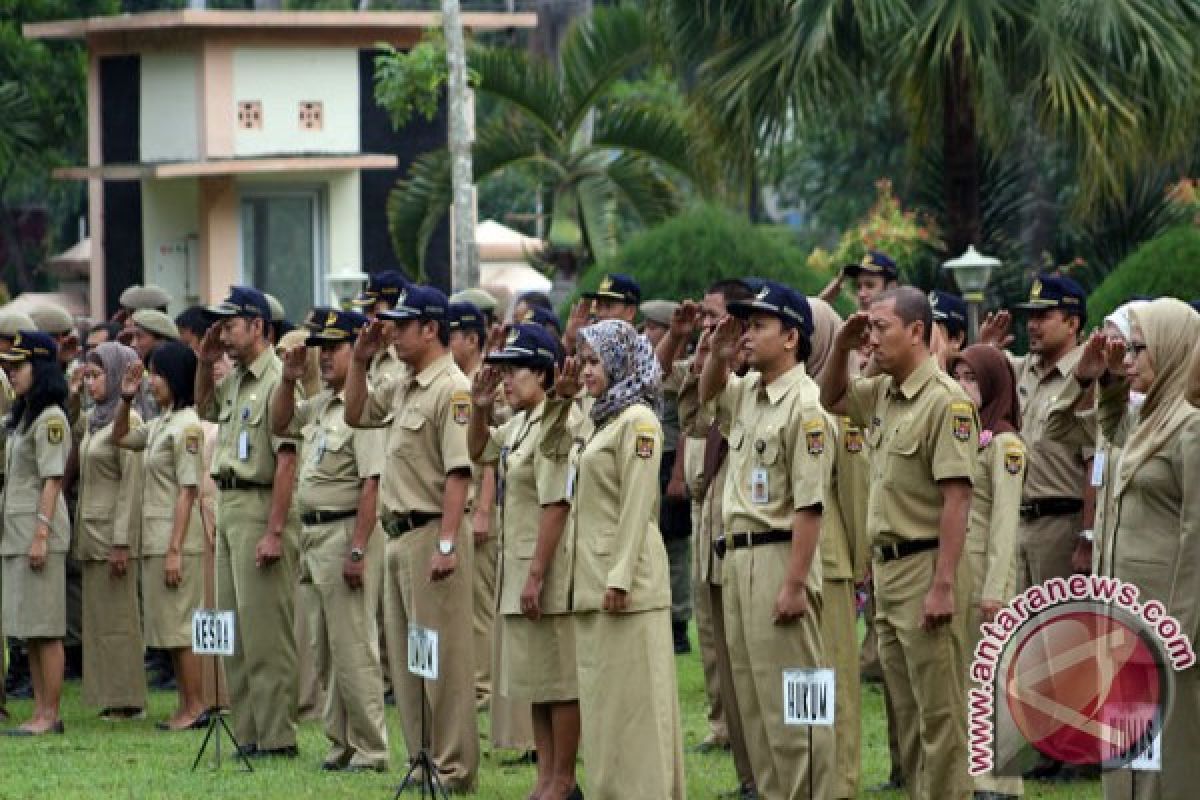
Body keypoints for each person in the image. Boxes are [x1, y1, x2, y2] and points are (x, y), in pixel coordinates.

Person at [821, 287, 977, 800]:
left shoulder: (945, 401)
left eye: (881, 327)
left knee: (940, 715)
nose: (873, 337)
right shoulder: (883, 392)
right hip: (888, 574)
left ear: (916, 332)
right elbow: (831, 398)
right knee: (905, 715)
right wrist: (843, 346)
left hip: (927, 564)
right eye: (869, 327)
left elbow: (957, 501)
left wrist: (944, 585)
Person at [699, 280, 835, 799]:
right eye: (745, 325)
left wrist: (795, 583)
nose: (746, 335)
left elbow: (810, 505)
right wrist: (717, 350)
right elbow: (710, 396)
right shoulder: (751, 393)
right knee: (755, 702)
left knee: (797, 699)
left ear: (792, 338)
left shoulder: (805, 406)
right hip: (738, 559)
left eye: (758, 326)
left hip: (780, 556)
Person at [343, 284, 480, 792]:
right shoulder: (404, 382)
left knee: (443, 660)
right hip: (398, 535)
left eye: (402, 325)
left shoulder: (452, 388)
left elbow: (458, 474)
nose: (392, 333)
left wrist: (446, 543)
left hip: (430, 535)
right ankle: (422, 759)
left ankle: (454, 768)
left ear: (430, 328)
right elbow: (356, 413)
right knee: (409, 661)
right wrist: (359, 361)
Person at [1076, 298, 1200, 800]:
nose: (1129, 359)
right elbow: (1111, 428)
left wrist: (1182, 631)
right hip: (1124, 619)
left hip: (1166, 624)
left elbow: (1197, 536)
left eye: (1139, 349)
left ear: (1172, 350)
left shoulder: (1190, 428)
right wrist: (1106, 380)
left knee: (1165, 766)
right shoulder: (1149, 417)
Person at [566, 318, 685, 799]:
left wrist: (619, 577)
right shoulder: (605, 418)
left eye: (595, 361)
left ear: (619, 363)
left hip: (627, 584)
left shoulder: (638, 421)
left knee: (638, 703)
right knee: (606, 703)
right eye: (585, 360)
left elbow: (638, 506)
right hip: (593, 578)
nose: (586, 370)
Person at [271, 308, 390, 772]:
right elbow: (280, 423)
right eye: (323, 348)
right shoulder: (321, 405)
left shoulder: (363, 408)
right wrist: (287, 379)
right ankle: (340, 741)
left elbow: (371, 485)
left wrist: (358, 549)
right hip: (314, 534)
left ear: (356, 349)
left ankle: (372, 747)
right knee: (323, 648)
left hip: (345, 530)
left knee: (354, 646)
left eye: (335, 348)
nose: (325, 357)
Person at [468, 323, 582, 800]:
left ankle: (564, 778)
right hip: (518, 564)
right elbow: (478, 449)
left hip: (546, 567)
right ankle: (545, 775)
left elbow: (556, 503)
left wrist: (536, 575)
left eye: (514, 371)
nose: (506, 381)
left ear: (544, 375)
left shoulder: (560, 422)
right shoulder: (519, 424)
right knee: (536, 679)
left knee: (559, 678)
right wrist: (478, 409)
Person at [195, 286, 300, 758]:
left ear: (258, 326)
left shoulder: (279, 378)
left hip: (261, 504)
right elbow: (204, 409)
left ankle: (278, 736)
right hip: (231, 503)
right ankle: (250, 731)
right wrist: (204, 358)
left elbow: (286, 461)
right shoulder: (236, 378)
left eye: (231, 325)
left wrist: (275, 531)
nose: (225, 334)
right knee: (234, 630)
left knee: (265, 633)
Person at [111, 342, 210, 731]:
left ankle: (197, 704)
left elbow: (188, 489)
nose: (153, 382)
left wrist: (174, 550)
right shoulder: (161, 422)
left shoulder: (187, 425)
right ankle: (185, 705)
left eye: (159, 374)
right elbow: (121, 437)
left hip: (177, 539)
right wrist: (125, 400)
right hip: (154, 537)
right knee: (166, 628)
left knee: (181, 628)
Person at [947, 344, 1025, 800]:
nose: (962, 386)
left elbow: (1004, 524)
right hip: (962, 572)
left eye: (972, 378)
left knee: (994, 680)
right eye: (957, 375)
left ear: (994, 384)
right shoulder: (965, 437)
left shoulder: (1005, 444)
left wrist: (996, 590)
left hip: (988, 580)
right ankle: (972, 779)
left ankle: (1000, 784)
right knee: (966, 678)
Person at [1, 332, 72, 736]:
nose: (11, 375)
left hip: (36, 531)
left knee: (46, 628)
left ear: (41, 368)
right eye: (8, 368)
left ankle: (51, 713)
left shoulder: (51, 419)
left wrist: (41, 535)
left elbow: (52, 479)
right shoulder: (25, 417)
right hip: (17, 532)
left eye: (18, 367)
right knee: (29, 629)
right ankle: (40, 710)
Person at [73, 342, 146, 720]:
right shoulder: (92, 419)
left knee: (120, 620)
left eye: (97, 375)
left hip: (112, 536)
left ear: (116, 376)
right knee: (100, 619)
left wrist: (122, 541)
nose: (90, 383)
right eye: (87, 375)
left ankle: (128, 698)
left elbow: (131, 485)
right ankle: (107, 695)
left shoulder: (127, 421)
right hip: (91, 532)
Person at [640, 299, 694, 654]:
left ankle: (678, 622)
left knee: (675, 547)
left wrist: (678, 475)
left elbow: (689, 424)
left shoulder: (685, 370)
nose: (647, 335)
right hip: (650, 460)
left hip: (672, 459)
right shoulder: (646, 366)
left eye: (654, 328)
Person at [562, 273, 640, 355]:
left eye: (608, 306)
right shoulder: (591, 347)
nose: (600, 314)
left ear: (630, 312)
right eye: (598, 305)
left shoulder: (640, 354)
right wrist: (569, 341)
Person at [819, 250, 900, 311]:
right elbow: (816, 310)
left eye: (870, 286)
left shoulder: (903, 328)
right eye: (858, 287)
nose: (861, 294)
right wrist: (839, 281)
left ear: (891, 288)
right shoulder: (855, 327)